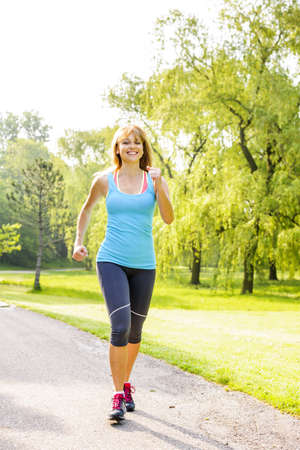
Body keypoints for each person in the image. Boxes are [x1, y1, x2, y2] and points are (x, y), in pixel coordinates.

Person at [72, 124, 174, 422]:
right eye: (126, 142)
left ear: (144, 148)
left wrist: (159, 187)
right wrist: (78, 242)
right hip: (111, 259)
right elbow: (87, 209)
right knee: (120, 326)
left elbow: (168, 218)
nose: (132, 146)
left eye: (137, 142)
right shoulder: (105, 181)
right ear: (117, 148)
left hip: (144, 264)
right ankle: (118, 394)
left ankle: (126, 383)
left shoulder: (154, 180)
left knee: (136, 332)